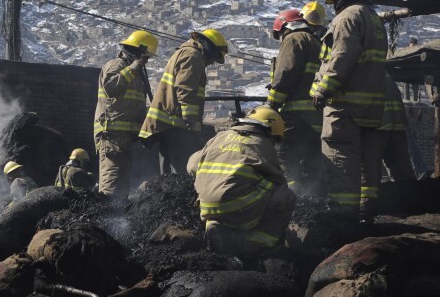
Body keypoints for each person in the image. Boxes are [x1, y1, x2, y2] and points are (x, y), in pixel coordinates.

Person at [311, 0, 388, 223]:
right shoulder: (373, 18)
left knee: (340, 163)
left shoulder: (347, 18)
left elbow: (342, 57)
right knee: (367, 164)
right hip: (369, 110)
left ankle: (343, 221)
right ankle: (367, 214)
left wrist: (323, 90)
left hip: (344, 109)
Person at [187, 106, 295, 258]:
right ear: (270, 131)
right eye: (275, 139)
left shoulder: (219, 137)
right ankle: (255, 245)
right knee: (286, 196)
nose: (274, 143)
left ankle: (213, 225)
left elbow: (191, 165)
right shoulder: (261, 143)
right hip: (239, 210)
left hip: (207, 208)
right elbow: (278, 181)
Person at [139, 29, 228, 174]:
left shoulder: (186, 53)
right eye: (214, 57)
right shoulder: (193, 56)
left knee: (169, 175)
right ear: (209, 48)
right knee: (188, 170)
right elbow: (185, 89)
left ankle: (166, 196)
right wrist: (190, 121)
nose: (212, 62)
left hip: (169, 124)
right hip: (178, 125)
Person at [267, 4, 327, 196]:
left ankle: (292, 199)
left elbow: (285, 74)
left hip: (296, 115)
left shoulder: (294, 39)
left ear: (284, 28)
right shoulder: (317, 42)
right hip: (316, 117)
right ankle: (316, 201)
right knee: (312, 162)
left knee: (285, 157)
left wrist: (271, 105)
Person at [94, 30, 159, 197]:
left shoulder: (135, 74)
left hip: (124, 137)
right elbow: (111, 87)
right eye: (146, 56)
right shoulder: (117, 65)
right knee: (112, 184)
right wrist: (134, 67)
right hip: (112, 136)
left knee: (122, 186)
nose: (147, 61)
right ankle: (105, 218)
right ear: (138, 52)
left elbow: (134, 105)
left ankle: (117, 220)